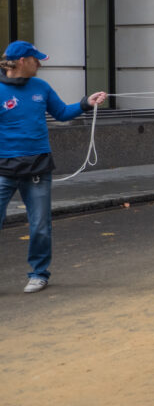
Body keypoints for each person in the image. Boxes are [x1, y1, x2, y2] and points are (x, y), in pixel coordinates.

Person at [0, 41, 107, 293]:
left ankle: (39, 273)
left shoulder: (41, 87)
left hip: (38, 167)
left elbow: (61, 113)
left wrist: (85, 103)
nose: (40, 63)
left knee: (39, 225)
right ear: (23, 61)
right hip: (3, 169)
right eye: (36, 59)